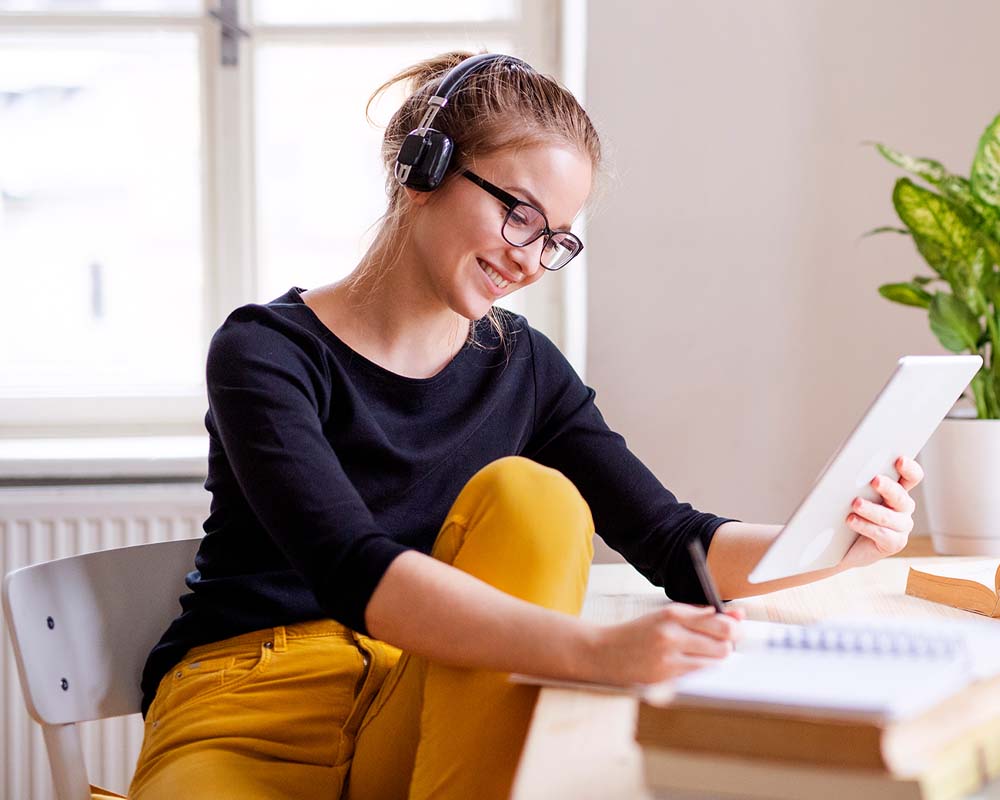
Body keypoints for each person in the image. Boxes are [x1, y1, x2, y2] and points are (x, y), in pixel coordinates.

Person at [123, 51, 923, 800]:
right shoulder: (266, 350)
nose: (531, 259)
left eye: (556, 238)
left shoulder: (525, 368)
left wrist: (834, 539)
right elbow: (348, 565)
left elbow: (676, 542)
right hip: (252, 700)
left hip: (425, 692)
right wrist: (593, 653)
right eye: (518, 214)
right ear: (422, 170)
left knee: (532, 497)